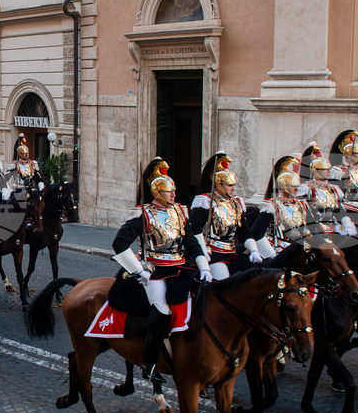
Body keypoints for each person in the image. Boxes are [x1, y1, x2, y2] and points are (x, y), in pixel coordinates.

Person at [111, 158, 211, 383]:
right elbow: (119, 243)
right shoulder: (144, 214)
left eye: (174, 190)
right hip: (153, 270)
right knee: (163, 310)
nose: (174, 194)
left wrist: (204, 265)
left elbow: (192, 242)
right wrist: (139, 271)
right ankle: (149, 364)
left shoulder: (179, 212)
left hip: (179, 267)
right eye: (168, 191)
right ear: (157, 192)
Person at [189, 152, 261, 280]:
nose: (233, 189)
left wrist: (254, 250)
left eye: (234, 185)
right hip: (212, 253)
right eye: (229, 185)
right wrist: (202, 252)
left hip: (231, 251)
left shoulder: (236, 203)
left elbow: (244, 232)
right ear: (218, 184)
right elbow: (195, 229)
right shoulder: (205, 202)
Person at [251, 156, 311, 259]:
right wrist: (271, 255)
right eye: (293, 186)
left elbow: (310, 227)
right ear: (283, 186)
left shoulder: (302, 204)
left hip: (297, 248)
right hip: (277, 249)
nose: (297, 189)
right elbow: (256, 232)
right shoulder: (272, 206)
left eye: (297, 186)